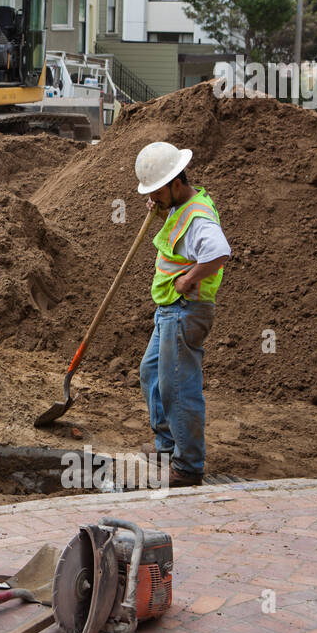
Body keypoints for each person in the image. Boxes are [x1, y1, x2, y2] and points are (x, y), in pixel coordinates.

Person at [134, 141, 231, 488]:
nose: (154, 198)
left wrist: (190, 279)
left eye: (158, 192)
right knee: (151, 373)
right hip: (169, 311)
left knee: (178, 387)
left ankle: (188, 466)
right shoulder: (182, 205)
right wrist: (162, 209)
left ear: (176, 182)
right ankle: (167, 446)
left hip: (186, 311)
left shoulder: (198, 216)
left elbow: (219, 252)